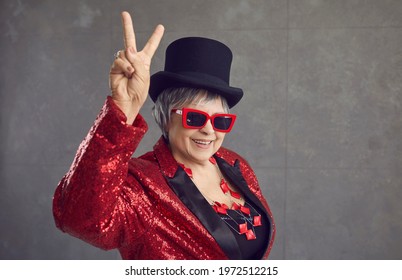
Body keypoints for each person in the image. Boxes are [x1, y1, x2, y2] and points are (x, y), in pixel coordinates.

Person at [53, 11, 275, 260]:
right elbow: (80, 219)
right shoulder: (142, 183)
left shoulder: (236, 165)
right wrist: (122, 110)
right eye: (195, 117)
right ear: (167, 118)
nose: (209, 130)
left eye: (221, 121)